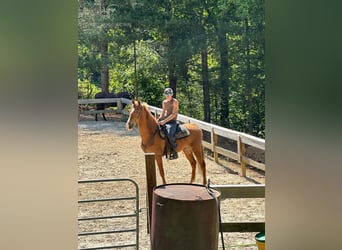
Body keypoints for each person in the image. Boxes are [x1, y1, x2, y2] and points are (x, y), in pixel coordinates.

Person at [158, 87, 179, 160]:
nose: (168, 96)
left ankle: (175, 152)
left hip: (172, 121)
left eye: (169, 94)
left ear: (172, 94)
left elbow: (173, 114)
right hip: (165, 120)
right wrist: (159, 119)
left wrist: (164, 121)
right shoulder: (164, 102)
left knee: (170, 134)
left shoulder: (175, 101)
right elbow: (163, 112)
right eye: (166, 94)